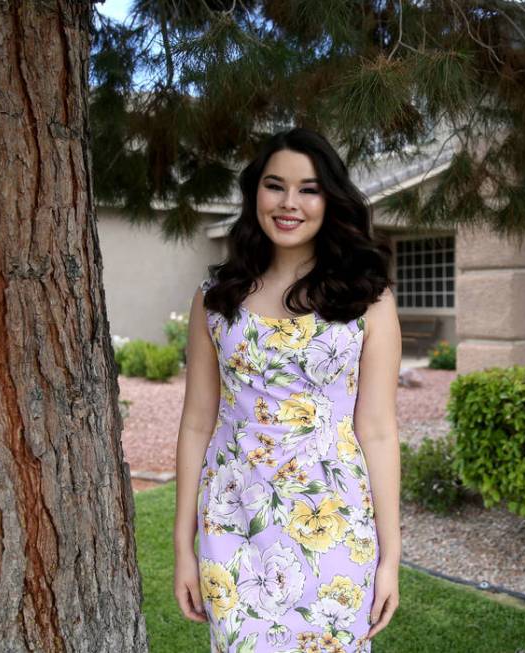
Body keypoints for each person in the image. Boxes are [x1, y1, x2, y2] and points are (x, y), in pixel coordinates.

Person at [172, 127, 402, 653]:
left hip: (336, 521)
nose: (289, 203)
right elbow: (196, 423)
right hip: (234, 519)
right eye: (275, 186)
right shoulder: (215, 300)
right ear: (255, 194)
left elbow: (379, 430)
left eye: (309, 189)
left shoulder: (369, 300)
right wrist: (183, 546)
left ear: (330, 200)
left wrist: (390, 558)